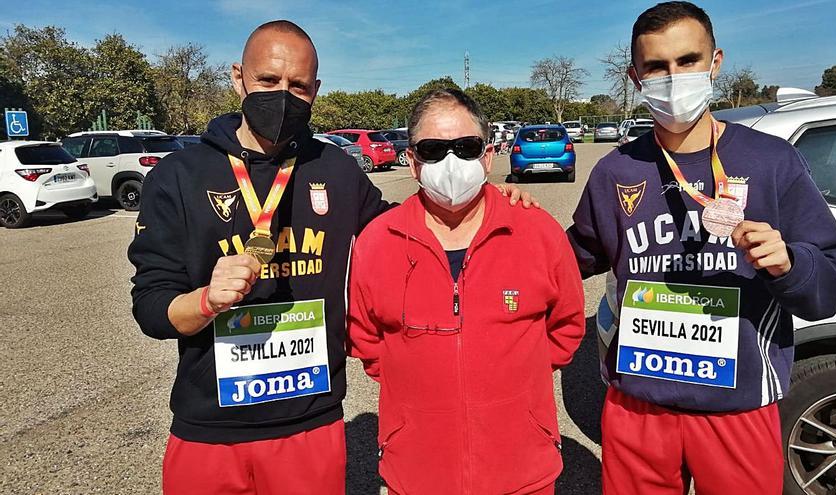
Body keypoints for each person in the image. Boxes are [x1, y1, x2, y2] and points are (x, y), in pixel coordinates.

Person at [128, 21, 535, 495]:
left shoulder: (335, 169)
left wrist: (485, 200)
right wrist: (205, 301)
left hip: (311, 423)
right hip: (211, 430)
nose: (283, 95)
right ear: (238, 77)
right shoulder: (178, 175)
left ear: (315, 90)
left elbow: (406, 230)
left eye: (298, 86)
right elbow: (151, 308)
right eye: (268, 81)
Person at [566, 3, 836, 494]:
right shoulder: (616, 171)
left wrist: (790, 264)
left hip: (736, 408)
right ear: (636, 77)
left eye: (688, 60)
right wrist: (508, 215)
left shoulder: (771, 161)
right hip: (639, 406)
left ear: (715, 62)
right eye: (656, 67)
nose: (673, 79)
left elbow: (827, 288)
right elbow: (572, 257)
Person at [347, 88, 586, 495]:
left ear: (488, 156)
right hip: (418, 475)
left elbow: (566, 326)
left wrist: (516, 388)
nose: (452, 161)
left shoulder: (537, 231)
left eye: (466, 146)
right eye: (434, 149)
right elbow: (366, 340)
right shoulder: (377, 241)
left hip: (523, 472)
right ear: (413, 161)